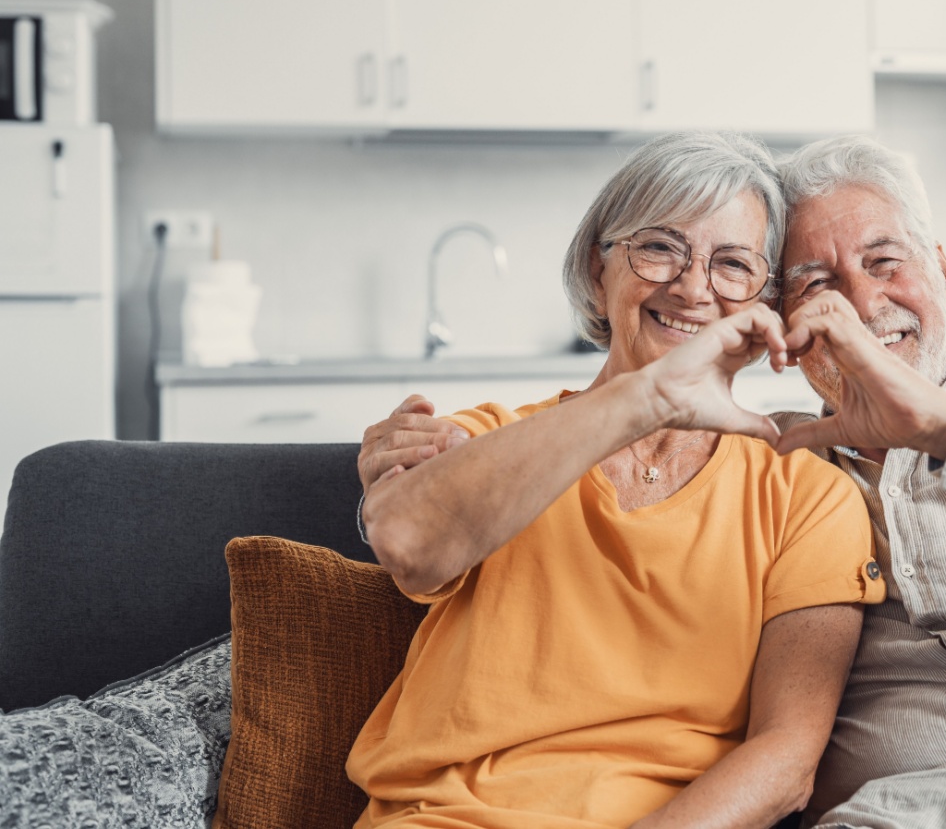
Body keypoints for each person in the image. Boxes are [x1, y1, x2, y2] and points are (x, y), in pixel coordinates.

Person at [366, 136, 946, 829]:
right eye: (813, 282)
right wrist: (634, 402)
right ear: (782, 326)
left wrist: (944, 426)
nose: (858, 302)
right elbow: (421, 535)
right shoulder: (793, 469)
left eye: (885, 263)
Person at [350, 131, 886, 829]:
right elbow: (408, 542)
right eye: (660, 247)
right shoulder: (490, 440)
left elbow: (785, 762)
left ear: (765, 300)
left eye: (732, 264)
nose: (693, 287)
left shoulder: (804, 495)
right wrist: (648, 398)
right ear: (597, 269)